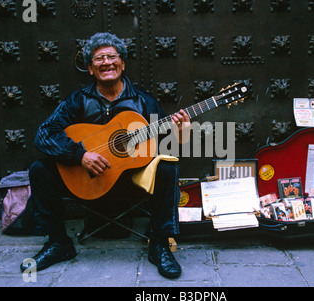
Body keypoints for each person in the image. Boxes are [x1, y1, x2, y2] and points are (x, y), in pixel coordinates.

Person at [20, 32, 191, 279]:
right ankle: (58, 243)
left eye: (112, 56)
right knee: (39, 169)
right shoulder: (77, 100)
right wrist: (79, 155)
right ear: (90, 68)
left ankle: (160, 244)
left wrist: (181, 133)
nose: (106, 62)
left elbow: (165, 146)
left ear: (123, 63)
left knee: (167, 168)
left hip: (129, 181)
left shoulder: (143, 101)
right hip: (86, 180)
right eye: (99, 58)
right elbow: (44, 134)